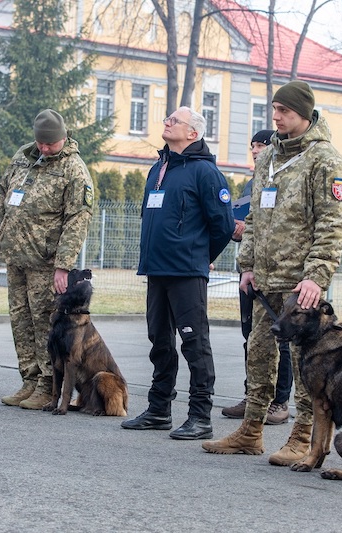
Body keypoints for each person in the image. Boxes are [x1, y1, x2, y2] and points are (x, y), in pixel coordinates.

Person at [202, 81, 342, 458]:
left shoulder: (325, 159)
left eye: (284, 111)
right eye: (274, 111)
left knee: (303, 365)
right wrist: (247, 265)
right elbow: (253, 217)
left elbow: (332, 225)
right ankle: (250, 432)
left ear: (303, 113)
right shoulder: (267, 158)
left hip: (301, 286)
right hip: (264, 281)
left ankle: (302, 437)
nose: (276, 118)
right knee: (259, 355)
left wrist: (316, 276)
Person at [122, 106, 235, 440]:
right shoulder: (159, 167)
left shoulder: (205, 172)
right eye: (167, 118)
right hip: (156, 269)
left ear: (192, 133)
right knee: (159, 341)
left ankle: (200, 416)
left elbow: (223, 225)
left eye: (174, 120)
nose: (166, 122)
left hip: (186, 271)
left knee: (194, 343)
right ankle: (159, 410)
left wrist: (200, 256)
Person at [0, 109, 94, 410]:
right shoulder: (22, 158)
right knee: (20, 319)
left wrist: (64, 264)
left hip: (45, 260)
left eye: (52, 144)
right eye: (42, 143)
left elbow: (78, 218)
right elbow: (3, 194)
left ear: (63, 138)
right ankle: (29, 379)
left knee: (44, 323)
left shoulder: (74, 169)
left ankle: (49, 385)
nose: (46, 149)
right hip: (16, 256)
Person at [223, 129, 292, 425]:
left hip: (279, 274)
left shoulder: (286, 176)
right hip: (251, 272)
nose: (255, 150)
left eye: (261, 144)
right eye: (252, 145)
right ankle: (254, 395)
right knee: (251, 337)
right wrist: (239, 232)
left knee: (282, 338)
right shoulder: (254, 182)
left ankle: (279, 401)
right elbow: (252, 223)